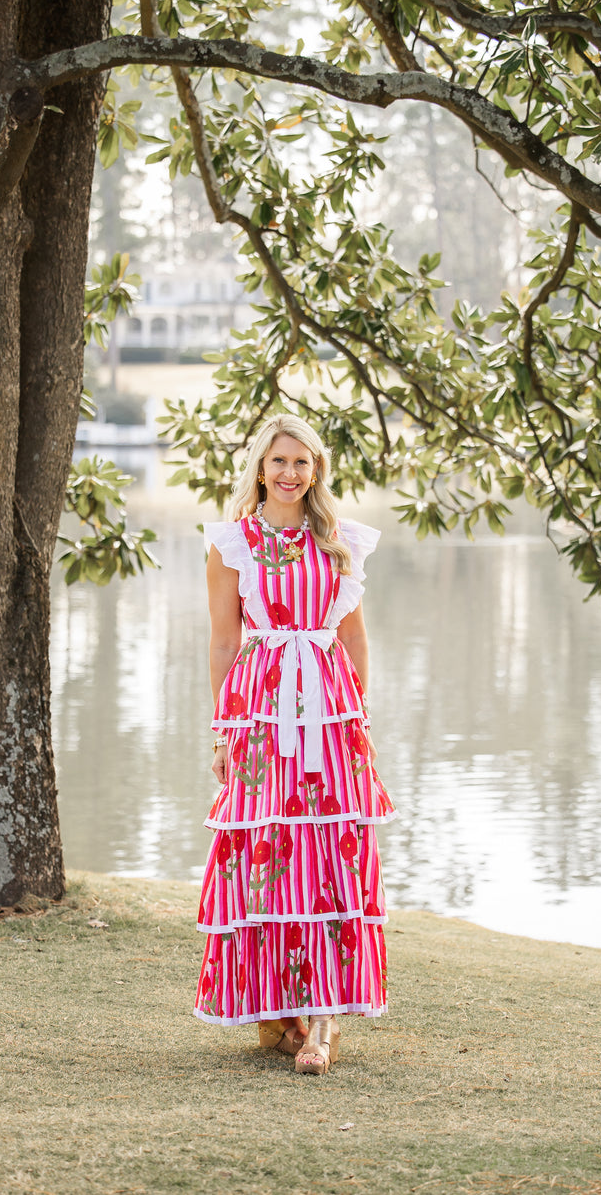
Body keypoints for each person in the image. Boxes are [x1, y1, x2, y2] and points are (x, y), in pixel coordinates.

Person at [194, 413, 395, 1075]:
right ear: (260, 468)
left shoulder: (339, 541)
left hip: (329, 709)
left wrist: (358, 716)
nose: (289, 474)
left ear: (317, 472)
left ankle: (326, 1024)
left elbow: (355, 637)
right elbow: (225, 642)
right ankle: (283, 1013)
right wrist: (223, 728)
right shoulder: (233, 544)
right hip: (261, 709)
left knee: (333, 850)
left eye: (302, 463)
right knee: (265, 856)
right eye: (279, 462)